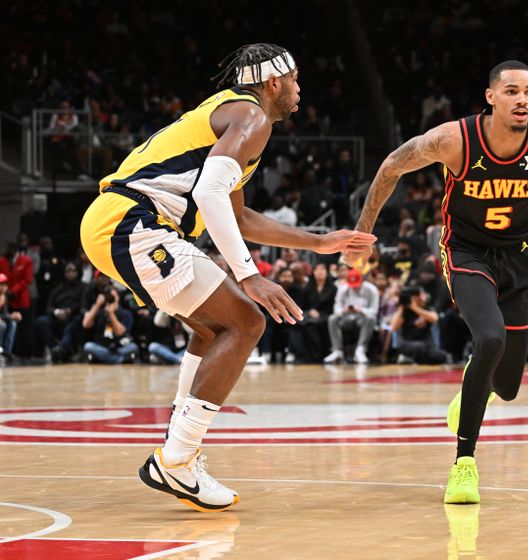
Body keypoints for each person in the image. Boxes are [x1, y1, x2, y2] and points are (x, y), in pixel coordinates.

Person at [79, 42, 375, 512]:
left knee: (215, 328)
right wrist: (250, 275)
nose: (299, 89)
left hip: (123, 222)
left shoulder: (233, 119)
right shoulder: (251, 118)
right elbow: (211, 193)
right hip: (132, 223)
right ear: (274, 82)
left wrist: (318, 242)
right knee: (246, 322)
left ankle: (180, 450)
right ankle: (176, 459)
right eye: (295, 79)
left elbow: (236, 216)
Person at [344, 60, 528, 503]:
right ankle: (464, 464)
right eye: (511, 91)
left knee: (507, 387)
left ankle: (472, 394)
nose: (522, 100)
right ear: (490, 96)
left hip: (523, 256)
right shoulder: (453, 140)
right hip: (467, 250)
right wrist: (363, 233)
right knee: (489, 340)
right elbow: (391, 166)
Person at [324, 268, 379, 364]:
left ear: (361, 281)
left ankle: (360, 350)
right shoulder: (343, 289)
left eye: (356, 285)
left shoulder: (372, 290)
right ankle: (337, 350)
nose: (354, 287)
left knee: (371, 318)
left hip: (362, 319)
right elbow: (337, 307)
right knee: (332, 318)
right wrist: (343, 310)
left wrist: (361, 310)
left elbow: (374, 311)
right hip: (347, 318)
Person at [391, 285, 449, 365]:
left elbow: (434, 318)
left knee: (440, 355)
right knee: (419, 347)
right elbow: (394, 327)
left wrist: (414, 307)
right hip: (408, 343)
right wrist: (401, 306)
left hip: (426, 345)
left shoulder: (427, 309)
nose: (424, 295)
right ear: (415, 297)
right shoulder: (405, 312)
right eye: (422, 294)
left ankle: (410, 359)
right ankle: (409, 358)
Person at [81, 284, 138, 364]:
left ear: (117, 298)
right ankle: (118, 360)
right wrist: (97, 305)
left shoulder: (126, 314)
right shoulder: (100, 312)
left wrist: (111, 314)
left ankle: (106, 359)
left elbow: (120, 332)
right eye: (108, 297)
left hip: (120, 347)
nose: (110, 299)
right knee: (88, 346)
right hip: (103, 347)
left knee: (133, 347)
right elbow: (86, 324)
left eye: (113, 297)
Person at [0, 273, 23, 364]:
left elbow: (4, 314)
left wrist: (13, 316)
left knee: (12, 323)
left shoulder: (4, 297)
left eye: (5, 285)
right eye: (1, 284)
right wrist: (10, 316)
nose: (4, 287)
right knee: (2, 325)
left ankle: (7, 352)